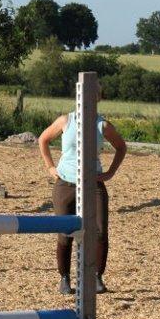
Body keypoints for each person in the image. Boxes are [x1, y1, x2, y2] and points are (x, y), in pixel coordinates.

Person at [38, 88, 126, 294]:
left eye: (93, 97)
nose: (87, 101)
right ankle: (65, 278)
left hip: (93, 183)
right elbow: (43, 139)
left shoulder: (102, 125)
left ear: (98, 99)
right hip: (66, 182)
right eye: (84, 96)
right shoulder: (66, 120)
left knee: (100, 230)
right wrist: (51, 167)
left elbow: (121, 147)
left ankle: (96, 277)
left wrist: (110, 173)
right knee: (64, 232)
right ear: (78, 97)